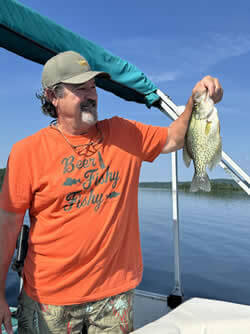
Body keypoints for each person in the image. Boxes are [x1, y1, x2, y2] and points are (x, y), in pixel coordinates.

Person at [0, 50, 223, 334]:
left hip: (114, 295)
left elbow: (175, 137)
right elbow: (7, 228)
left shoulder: (124, 133)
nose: (91, 94)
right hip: (49, 298)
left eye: (93, 86)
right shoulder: (26, 152)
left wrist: (197, 99)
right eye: (80, 88)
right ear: (52, 96)